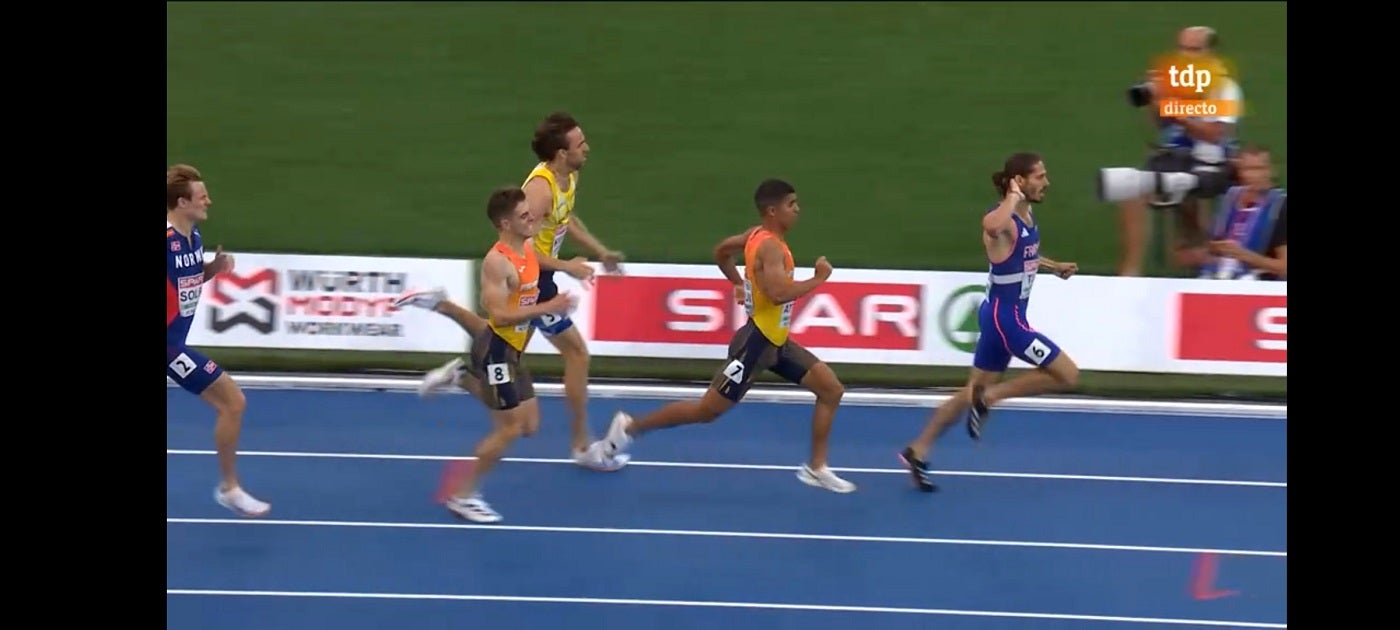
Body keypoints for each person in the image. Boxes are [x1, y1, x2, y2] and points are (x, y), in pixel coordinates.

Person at [591, 179, 856, 494]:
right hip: (756, 346)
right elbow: (776, 294)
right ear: (773, 211)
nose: (798, 210)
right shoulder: (769, 245)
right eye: (792, 204)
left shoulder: (753, 236)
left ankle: (816, 468)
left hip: (778, 343)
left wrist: (740, 285)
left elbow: (721, 253)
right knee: (706, 411)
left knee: (831, 390)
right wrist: (819, 278)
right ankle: (629, 428)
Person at [418, 112, 624, 469]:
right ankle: (581, 446)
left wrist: (599, 250)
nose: (587, 148)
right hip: (533, 280)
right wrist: (567, 267)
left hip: (543, 279)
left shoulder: (568, 177)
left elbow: (566, 219)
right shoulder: (539, 190)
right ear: (561, 154)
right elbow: (524, 250)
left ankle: (459, 363)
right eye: (580, 144)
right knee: (554, 359)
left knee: (514, 351)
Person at [399, 186, 617, 522]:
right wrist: (550, 305)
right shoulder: (497, 263)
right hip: (497, 353)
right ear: (505, 223)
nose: (533, 220)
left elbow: (538, 260)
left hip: (512, 352)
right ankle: (463, 495)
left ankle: (460, 376)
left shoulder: (526, 247)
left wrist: (567, 265)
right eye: (524, 217)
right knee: (509, 429)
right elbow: (498, 317)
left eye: (530, 214)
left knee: (529, 426)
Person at [898, 153, 1081, 492]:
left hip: (999, 316)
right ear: (1020, 181)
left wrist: (1053, 266)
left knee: (970, 392)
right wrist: (1012, 196)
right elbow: (993, 227)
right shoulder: (1003, 218)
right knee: (1068, 374)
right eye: (1039, 177)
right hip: (1006, 322)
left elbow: (1023, 253)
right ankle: (993, 398)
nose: (1047, 182)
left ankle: (917, 450)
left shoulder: (1025, 216)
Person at [165, 164, 270, 517]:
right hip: (168, 345)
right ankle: (230, 488)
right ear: (182, 202)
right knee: (233, 402)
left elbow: (186, 281)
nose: (209, 200)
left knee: (232, 404)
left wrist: (213, 269)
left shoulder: (191, 238)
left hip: (174, 342)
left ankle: (230, 488)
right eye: (201, 196)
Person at [1181, 145, 1286, 280]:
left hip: (1257, 283)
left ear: (1272, 171)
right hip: (1217, 274)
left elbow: (1284, 267)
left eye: (1260, 168)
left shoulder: (1280, 207)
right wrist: (1206, 251)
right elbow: (1213, 245)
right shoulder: (1229, 199)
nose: (1255, 175)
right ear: (1240, 172)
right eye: (1248, 169)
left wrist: (1242, 254)